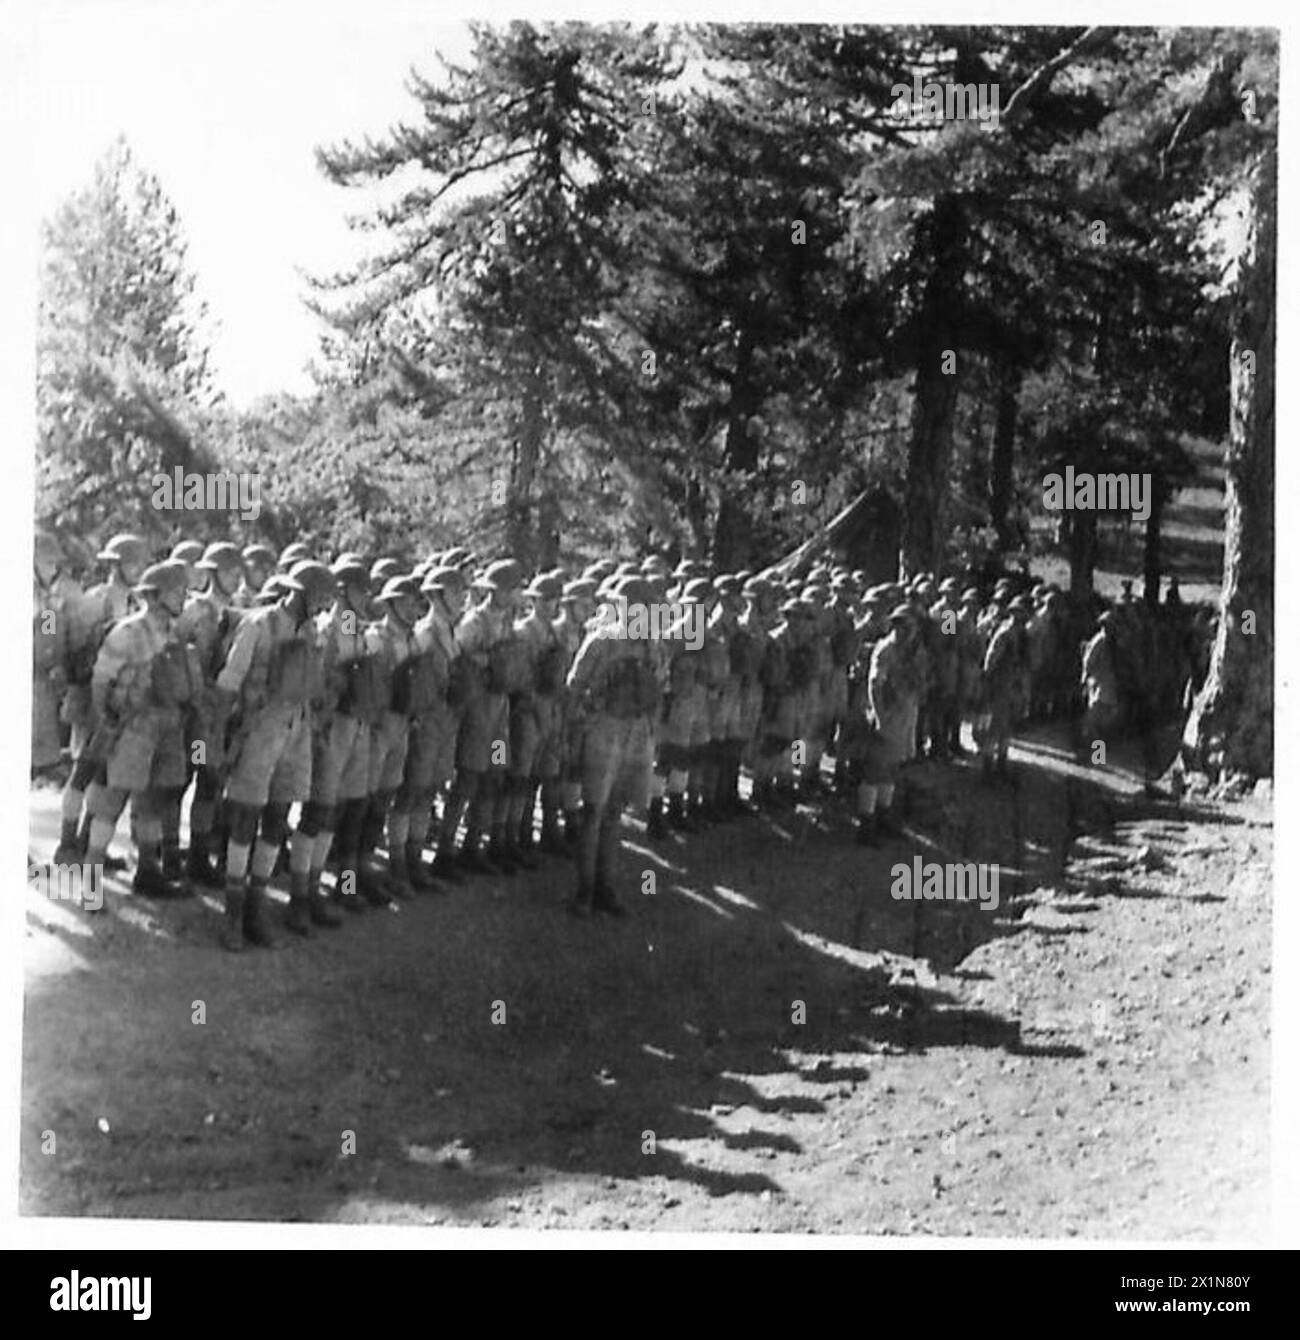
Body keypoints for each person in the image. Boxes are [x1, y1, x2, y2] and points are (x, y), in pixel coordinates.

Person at [215, 559, 335, 948]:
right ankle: (232, 915)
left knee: (278, 818)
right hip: (259, 730)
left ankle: (256, 907)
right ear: (301, 593)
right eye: (318, 597)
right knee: (245, 818)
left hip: (296, 730)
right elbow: (228, 682)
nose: (322, 606)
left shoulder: (314, 630)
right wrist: (218, 738)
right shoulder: (260, 625)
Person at [81, 561, 195, 905]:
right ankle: (90, 885)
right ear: (156, 595)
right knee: (110, 805)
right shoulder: (129, 631)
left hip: (167, 727)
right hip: (132, 728)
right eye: (177, 592)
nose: (183, 597)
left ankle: (148, 871)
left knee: (153, 804)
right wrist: (107, 722)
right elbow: (101, 679)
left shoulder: (174, 632)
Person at [565, 575, 660, 917]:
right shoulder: (601, 641)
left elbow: (656, 688)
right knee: (593, 811)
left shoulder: (652, 644)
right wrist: (573, 734)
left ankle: (606, 888)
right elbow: (574, 687)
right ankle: (585, 891)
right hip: (602, 730)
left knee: (615, 813)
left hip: (635, 733)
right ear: (621, 608)